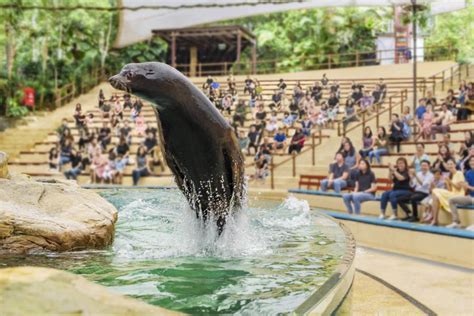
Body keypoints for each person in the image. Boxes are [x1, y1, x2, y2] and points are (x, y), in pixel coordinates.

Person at [431, 158, 466, 226]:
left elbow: (459, 188)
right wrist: (447, 183)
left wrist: (449, 181)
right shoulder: (450, 175)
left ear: (455, 165)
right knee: (434, 192)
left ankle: (435, 220)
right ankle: (435, 219)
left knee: (435, 192)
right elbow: (450, 190)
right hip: (452, 193)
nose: (450, 166)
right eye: (448, 164)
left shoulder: (459, 173)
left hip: (459, 194)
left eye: (451, 164)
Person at [447, 157, 474, 228]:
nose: (472, 162)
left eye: (473, 161)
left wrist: (468, 187)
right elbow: (466, 189)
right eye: (471, 161)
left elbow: (469, 187)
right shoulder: (468, 173)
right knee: (451, 200)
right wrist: (464, 186)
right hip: (470, 197)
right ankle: (456, 222)